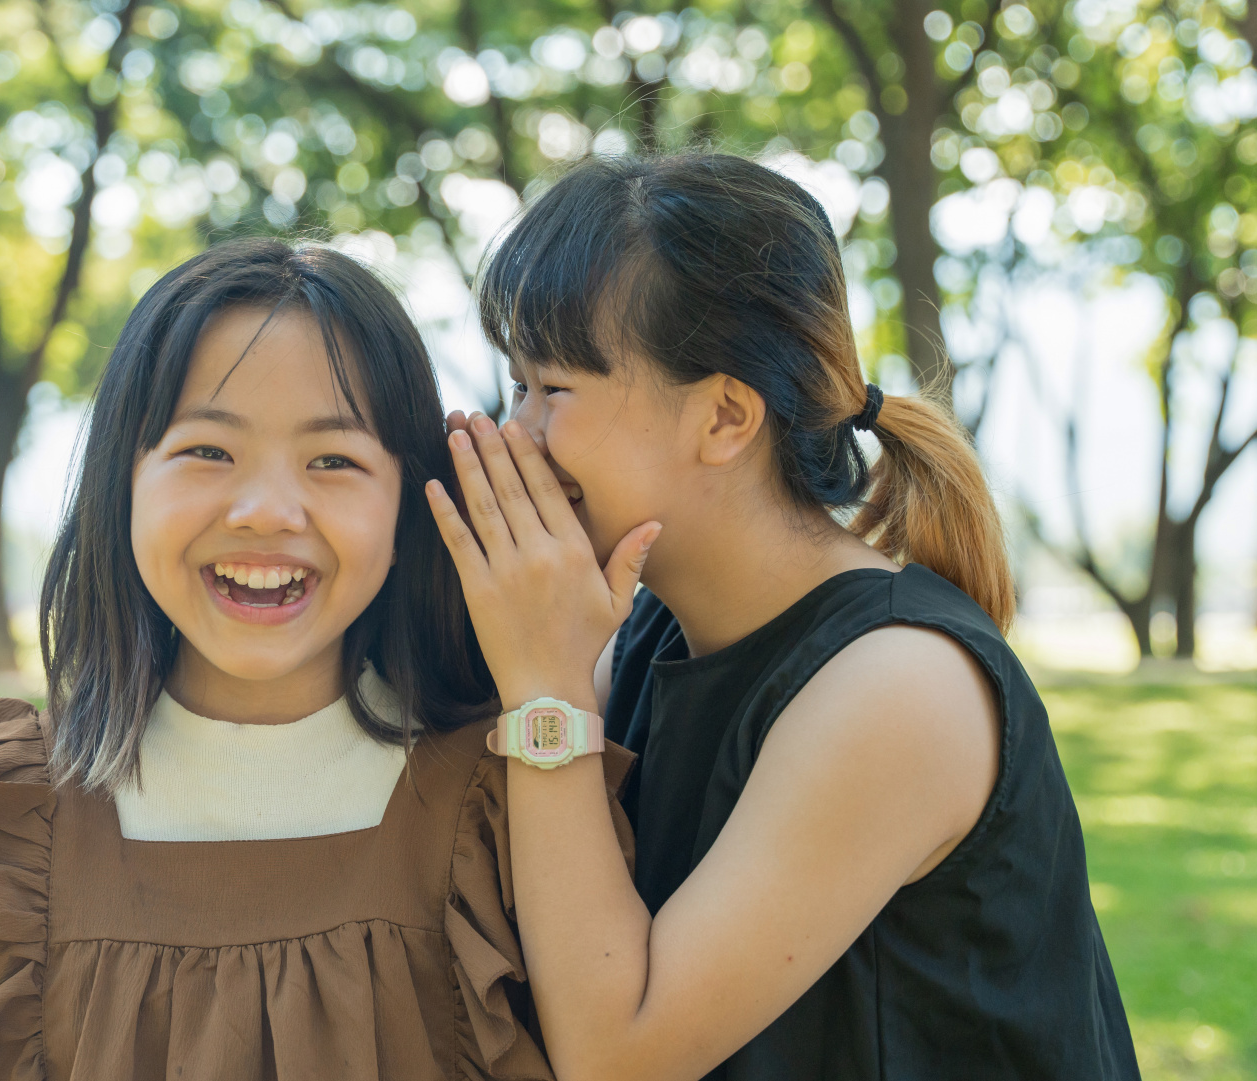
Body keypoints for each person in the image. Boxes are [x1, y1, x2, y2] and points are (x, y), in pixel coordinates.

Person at [426, 153, 1140, 1080]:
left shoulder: (897, 687)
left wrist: (546, 689)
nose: (514, 435)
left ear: (725, 416)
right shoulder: (651, 631)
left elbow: (615, 1054)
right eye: (516, 387)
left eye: (553, 390)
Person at [0, 237, 631, 1081]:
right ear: (124, 480)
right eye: (209, 451)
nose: (268, 510)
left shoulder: (513, 806)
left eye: (333, 460)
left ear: (411, 504)